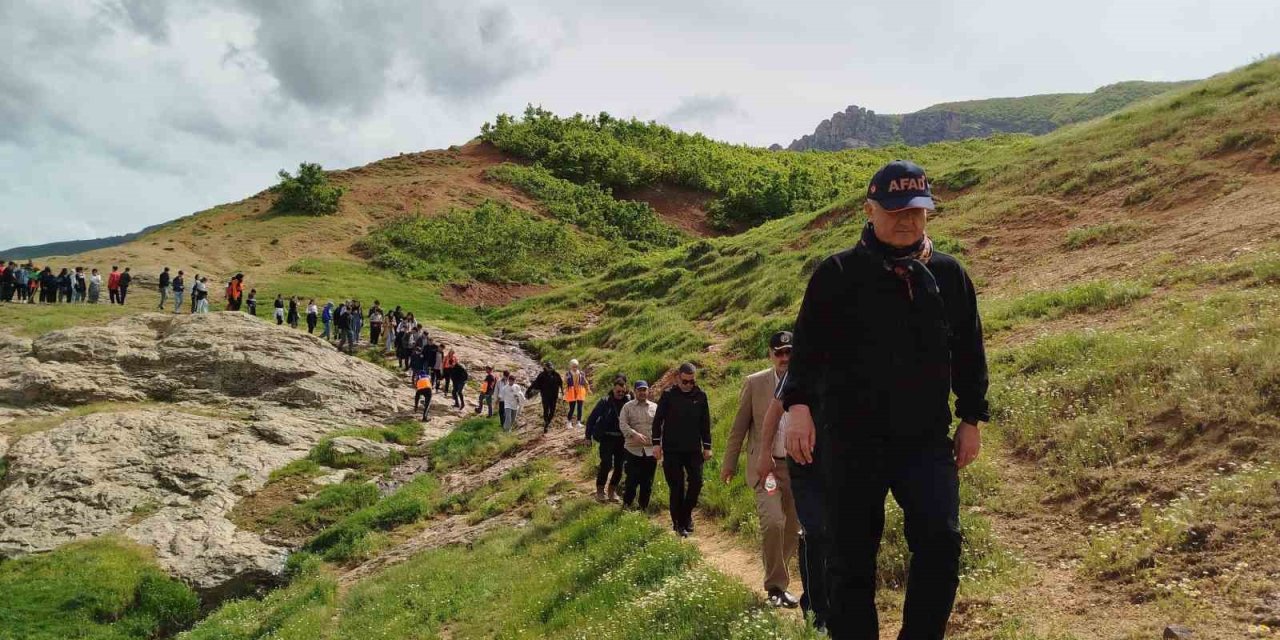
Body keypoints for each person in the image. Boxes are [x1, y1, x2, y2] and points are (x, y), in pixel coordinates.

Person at [780, 160, 989, 640]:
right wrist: (799, 407)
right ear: (869, 210)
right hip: (850, 441)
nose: (907, 220)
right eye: (895, 211)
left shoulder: (948, 275)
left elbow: (969, 351)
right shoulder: (836, 274)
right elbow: (807, 350)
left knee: (942, 540)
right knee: (849, 558)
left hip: (925, 440)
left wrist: (971, 418)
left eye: (917, 211)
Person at [723, 331, 801, 609]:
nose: (784, 357)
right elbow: (739, 428)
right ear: (770, 354)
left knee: (791, 528)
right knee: (773, 522)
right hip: (765, 467)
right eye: (779, 353)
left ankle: (780, 581)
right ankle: (775, 587)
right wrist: (729, 464)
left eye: (789, 352)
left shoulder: (806, 381)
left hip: (796, 467)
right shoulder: (755, 383)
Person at [758, 373, 829, 631]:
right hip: (804, 462)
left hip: (845, 463)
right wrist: (764, 453)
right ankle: (816, 615)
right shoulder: (804, 364)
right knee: (814, 531)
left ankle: (840, 607)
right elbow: (774, 411)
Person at [652, 363, 712, 537]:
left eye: (692, 381)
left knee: (697, 483)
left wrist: (707, 446)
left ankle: (686, 515)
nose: (688, 385)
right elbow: (658, 421)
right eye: (685, 381)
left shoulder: (700, 396)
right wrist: (656, 444)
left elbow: (705, 423)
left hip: (693, 449)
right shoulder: (668, 395)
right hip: (672, 449)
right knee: (677, 487)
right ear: (678, 378)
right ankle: (678, 523)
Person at [585, 376, 631, 503]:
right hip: (607, 437)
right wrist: (587, 437)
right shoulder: (605, 402)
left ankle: (612, 490)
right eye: (618, 391)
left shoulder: (628, 402)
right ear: (613, 389)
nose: (620, 394)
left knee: (619, 466)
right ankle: (600, 490)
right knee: (606, 464)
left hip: (622, 439)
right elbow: (592, 419)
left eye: (623, 392)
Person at [619, 380, 659, 511]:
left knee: (647, 482)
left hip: (650, 450)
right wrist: (634, 434)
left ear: (648, 391)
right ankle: (627, 506)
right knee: (631, 480)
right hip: (633, 449)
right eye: (640, 390)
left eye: (644, 390)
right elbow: (623, 424)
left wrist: (660, 445)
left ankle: (643, 509)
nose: (642, 392)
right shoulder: (627, 407)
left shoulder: (655, 407)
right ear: (635, 391)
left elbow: (661, 427)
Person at [528, 361, 563, 434]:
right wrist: (529, 390)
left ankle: (548, 422)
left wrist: (563, 392)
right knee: (546, 410)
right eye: (548, 367)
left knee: (552, 411)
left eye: (551, 367)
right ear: (546, 368)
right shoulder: (542, 375)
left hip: (554, 396)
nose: (550, 368)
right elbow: (535, 383)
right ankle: (546, 423)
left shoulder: (556, 375)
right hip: (545, 396)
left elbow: (561, 383)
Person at [563, 359, 590, 430]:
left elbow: (585, 381)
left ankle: (578, 422)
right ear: (570, 366)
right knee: (572, 408)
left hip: (580, 392)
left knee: (580, 408)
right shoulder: (568, 374)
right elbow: (564, 383)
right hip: (571, 393)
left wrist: (588, 389)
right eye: (573, 366)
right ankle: (569, 422)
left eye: (576, 366)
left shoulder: (581, 373)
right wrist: (564, 391)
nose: (575, 368)